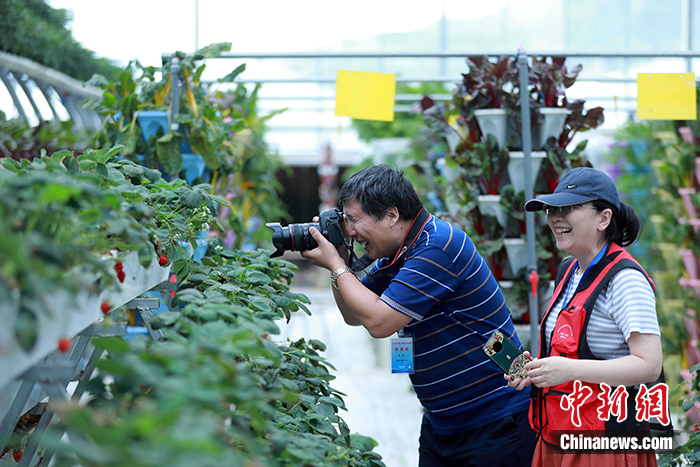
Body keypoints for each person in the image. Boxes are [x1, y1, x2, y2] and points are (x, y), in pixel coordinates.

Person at [301, 165, 536, 467]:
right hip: (442, 425)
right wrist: (340, 260)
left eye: (354, 220)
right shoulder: (396, 255)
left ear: (391, 215)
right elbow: (354, 315)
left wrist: (337, 266)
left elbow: (378, 322)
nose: (351, 231)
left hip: (495, 422)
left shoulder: (438, 245)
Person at [507, 167, 664, 467]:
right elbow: (567, 351)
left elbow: (649, 366)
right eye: (552, 209)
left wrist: (570, 370)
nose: (555, 218)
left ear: (604, 219)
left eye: (568, 208)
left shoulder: (625, 279)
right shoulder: (567, 271)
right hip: (556, 434)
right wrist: (539, 370)